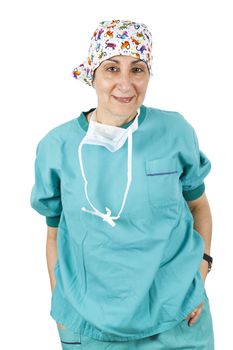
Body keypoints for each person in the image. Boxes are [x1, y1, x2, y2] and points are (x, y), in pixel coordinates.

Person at [30, 19, 215, 349]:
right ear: (93, 75)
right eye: (112, 69)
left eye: (138, 69)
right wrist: (61, 299)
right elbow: (54, 232)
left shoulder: (175, 132)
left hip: (177, 316)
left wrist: (201, 269)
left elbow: (198, 205)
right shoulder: (56, 147)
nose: (126, 84)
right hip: (91, 325)